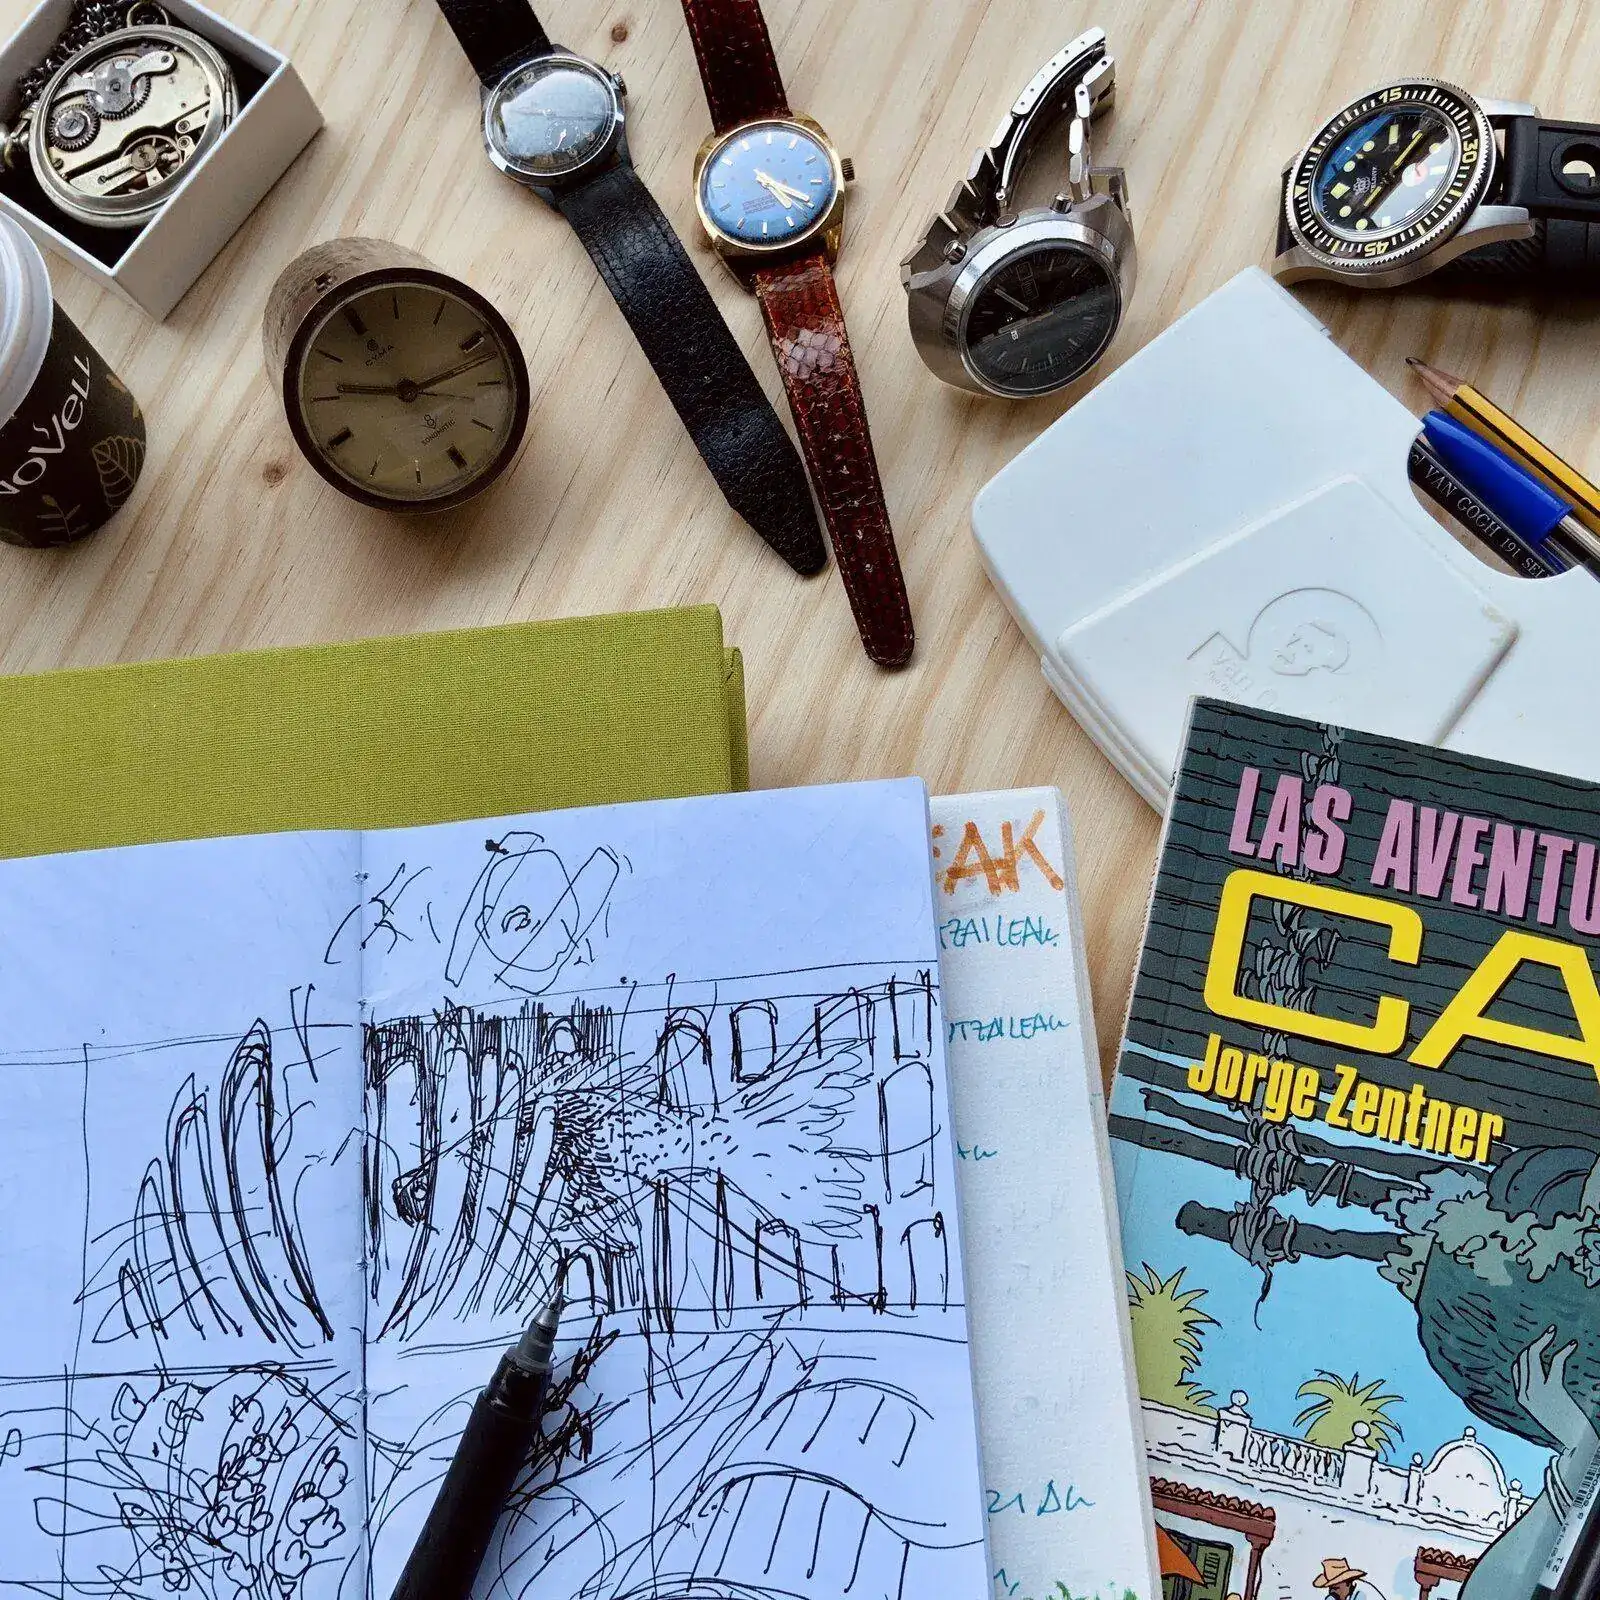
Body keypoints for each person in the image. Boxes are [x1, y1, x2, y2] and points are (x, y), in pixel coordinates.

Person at [1313, 1556, 1388, 1599]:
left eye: (1336, 1588)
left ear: (1348, 1583)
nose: (1332, 1592)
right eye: (1330, 1589)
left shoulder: (1362, 1593)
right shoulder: (1347, 1594)